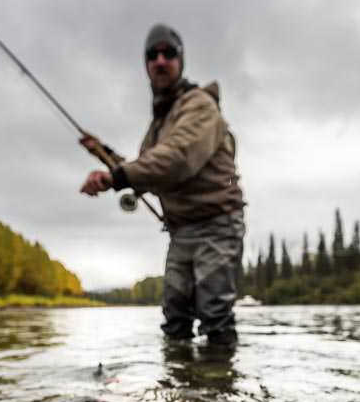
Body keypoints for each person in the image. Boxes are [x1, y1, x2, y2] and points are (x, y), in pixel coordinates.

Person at [80, 24, 246, 346]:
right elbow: (148, 172)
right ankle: (179, 387)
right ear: (146, 65)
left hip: (218, 225)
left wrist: (114, 178)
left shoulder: (200, 105)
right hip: (180, 230)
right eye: (152, 55)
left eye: (168, 53)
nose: (160, 60)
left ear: (180, 60)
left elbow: (176, 159)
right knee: (175, 321)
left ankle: (220, 392)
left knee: (215, 315)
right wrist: (103, 153)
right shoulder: (159, 125)